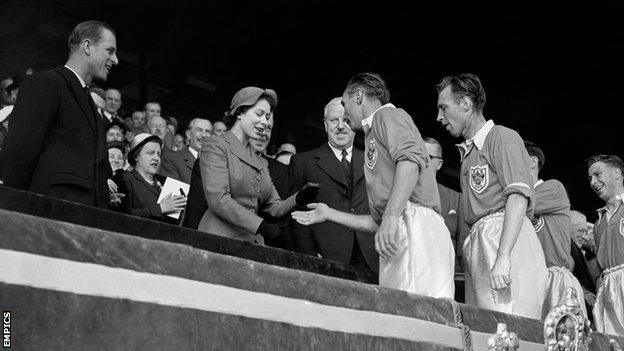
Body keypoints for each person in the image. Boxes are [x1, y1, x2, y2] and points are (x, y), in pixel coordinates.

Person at [293, 72, 454, 298]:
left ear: (358, 96)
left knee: (420, 313)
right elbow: (377, 221)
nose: (345, 114)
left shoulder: (387, 115)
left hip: (416, 227)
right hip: (400, 226)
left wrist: (390, 218)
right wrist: (329, 213)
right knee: (400, 315)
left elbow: (410, 160)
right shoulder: (372, 134)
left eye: (344, 103)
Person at [435, 73, 547, 318]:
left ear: (465, 104)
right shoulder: (468, 154)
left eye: (443, 108)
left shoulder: (502, 137)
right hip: (480, 241)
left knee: (508, 324)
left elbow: (517, 197)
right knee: (483, 327)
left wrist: (503, 257)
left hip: (503, 237)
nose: (439, 117)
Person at [0, 20, 118, 208]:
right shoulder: (46, 83)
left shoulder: (92, 107)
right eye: (110, 51)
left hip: (89, 223)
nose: (115, 60)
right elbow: (18, 155)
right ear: (87, 46)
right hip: (49, 217)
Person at [198, 86, 318, 243]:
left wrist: (299, 198)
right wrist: (261, 226)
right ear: (240, 112)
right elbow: (218, 199)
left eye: (267, 117)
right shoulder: (216, 145)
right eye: (259, 114)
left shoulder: (259, 160)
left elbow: (274, 207)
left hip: (249, 241)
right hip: (216, 238)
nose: (264, 121)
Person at [289, 97, 377, 272]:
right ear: (325, 124)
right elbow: (296, 215)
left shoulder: (372, 160)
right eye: (334, 120)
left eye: (346, 120)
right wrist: (308, 255)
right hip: (325, 256)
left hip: (371, 256)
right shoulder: (303, 162)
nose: (341, 126)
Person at [524, 140, 586, 318]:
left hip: (553, 282)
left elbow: (516, 206)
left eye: (515, 158)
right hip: (530, 280)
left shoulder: (553, 188)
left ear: (532, 162)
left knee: (561, 341)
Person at [586, 154, 624, 335]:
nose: (593, 182)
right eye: (590, 178)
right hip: (608, 291)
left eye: (598, 174)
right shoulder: (597, 224)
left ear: (617, 173)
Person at [116, 133, 186, 223]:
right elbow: (122, 217)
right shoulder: (124, 179)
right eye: (150, 153)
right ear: (136, 156)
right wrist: (160, 208)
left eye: (158, 154)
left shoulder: (166, 183)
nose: (156, 158)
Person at [424, 137, 469, 273]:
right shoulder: (402, 194)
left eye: (428, 157)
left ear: (439, 164)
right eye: (417, 156)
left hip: (446, 276)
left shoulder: (456, 199)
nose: (422, 161)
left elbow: (463, 248)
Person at [160, 118, 211, 184]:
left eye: (207, 131)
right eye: (199, 130)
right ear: (188, 134)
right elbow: (174, 191)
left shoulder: (217, 162)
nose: (204, 135)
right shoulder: (172, 159)